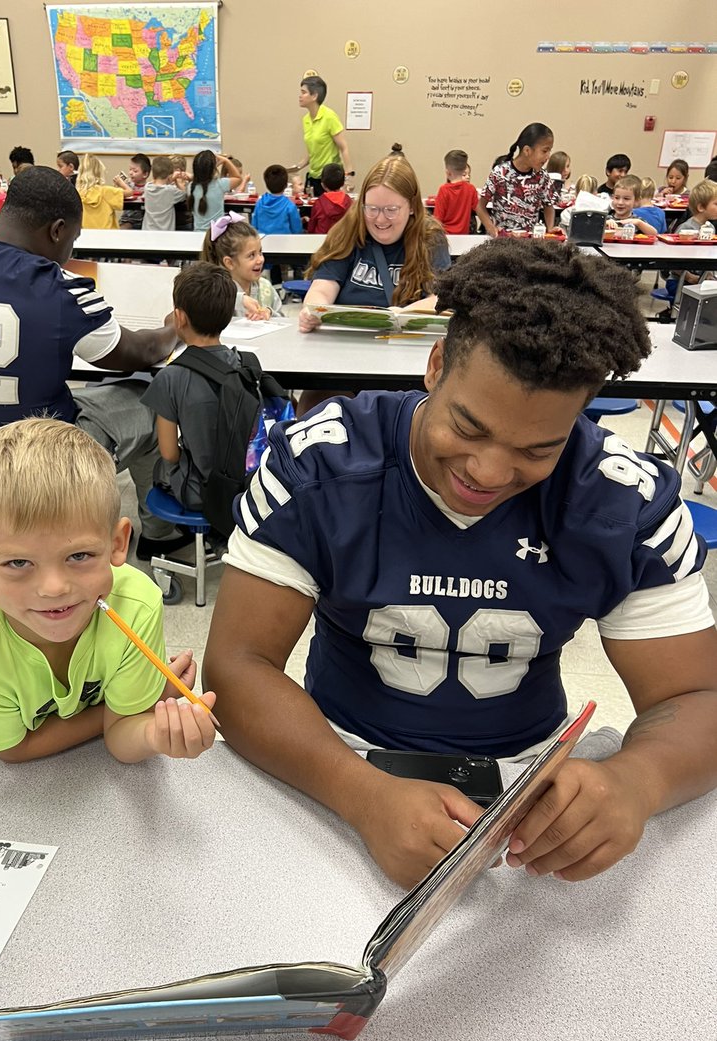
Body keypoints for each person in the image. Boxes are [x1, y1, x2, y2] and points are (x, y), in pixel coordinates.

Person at [203, 238, 717, 892]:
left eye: (538, 448)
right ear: (436, 363)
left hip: (527, 779)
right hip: (329, 755)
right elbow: (237, 664)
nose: (489, 472)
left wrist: (636, 781)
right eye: (468, 428)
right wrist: (362, 794)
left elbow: (698, 697)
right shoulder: (320, 464)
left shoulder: (622, 501)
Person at [0, 166, 192, 559]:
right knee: (152, 398)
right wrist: (173, 327)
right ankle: (160, 532)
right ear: (57, 230)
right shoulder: (59, 287)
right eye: (72, 239)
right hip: (39, 468)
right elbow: (134, 356)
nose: (71, 251)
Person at [0, 418, 217, 764]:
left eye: (79, 556)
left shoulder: (136, 606)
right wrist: (143, 702)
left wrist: (154, 735)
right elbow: (13, 751)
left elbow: (124, 734)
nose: (54, 589)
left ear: (117, 544)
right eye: (19, 563)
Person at [300, 154, 449, 324]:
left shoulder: (430, 238)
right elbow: (323, 288)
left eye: (391, 210)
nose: (380, 219)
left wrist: (403, 315)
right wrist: (313, 311)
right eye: (372, 209)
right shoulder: (348, 230)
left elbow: (439, 297)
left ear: (412, 207)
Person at [140, 261, 241, 509]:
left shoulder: (171, 377)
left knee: (156, 467)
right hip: (245, 486)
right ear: (228, 317)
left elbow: (169, 453)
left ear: (179, 318)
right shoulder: (244, 363)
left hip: (199, 493)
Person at [477, 122, 556, 235]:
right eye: (544, 151)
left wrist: (550, 228)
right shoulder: (500, 173)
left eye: (550, 151)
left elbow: (549, 206)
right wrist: (491, 228)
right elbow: (480, 207)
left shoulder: (542, 177)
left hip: (529, 243)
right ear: (527, 151)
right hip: (503, 241)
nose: (548, 156)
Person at [202, 214, 282, 320]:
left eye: (260, 252)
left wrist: (270, 313)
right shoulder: (215, 291)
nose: (260, 260)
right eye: (251, 255)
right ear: (229, 263)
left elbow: (283, 320)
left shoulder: (266, 288)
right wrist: (239, 300)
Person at [290, 76, 354, 198]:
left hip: (330, 179)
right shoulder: (306, 120)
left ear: (314, 96)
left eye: (303, 93)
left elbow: (344, 147)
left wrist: (349, 176)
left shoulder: (329, 117)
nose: (300, 96)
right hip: (313, 177)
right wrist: (296, 167)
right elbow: (312, 152)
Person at [188, 150, 241, 232]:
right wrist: (226, 161)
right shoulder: (220, 184)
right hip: (217, 233)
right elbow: (238, 177)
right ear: (214, 169)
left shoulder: (190, 187)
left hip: (197, 233)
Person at [433, 149, 478, 235]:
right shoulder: (471, 189)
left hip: (446, 236)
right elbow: (477, 210)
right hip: (464, 235)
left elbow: (437, 219)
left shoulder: (443, 190)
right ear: (465, 168)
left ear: (447, 172)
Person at [251, 164, 302, 236]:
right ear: (286, 185)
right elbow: (297, 230)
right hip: (286, 243)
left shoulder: (259, 203)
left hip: (263, 242)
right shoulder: (289, 206)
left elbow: (254, 226)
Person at [76, 153, 124, 229]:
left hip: (87, 236)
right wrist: (120, 182)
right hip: (109, 236)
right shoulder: (106, 191)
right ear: (99, 172)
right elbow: (130, 192)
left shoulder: (77, 194)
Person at [141, 155, 186, 232]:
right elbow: (185, 193)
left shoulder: (147, 187)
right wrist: (176, 181)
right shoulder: (170, 191)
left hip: (147, 232)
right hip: (165, 233)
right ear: (169, 177)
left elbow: (154, 182)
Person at [306, 162, 352, 235]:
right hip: (343, 241)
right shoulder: (349, 202)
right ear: (343, 183)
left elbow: (311, 228)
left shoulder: (319, 203)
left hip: (320, 241)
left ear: (322, 184)